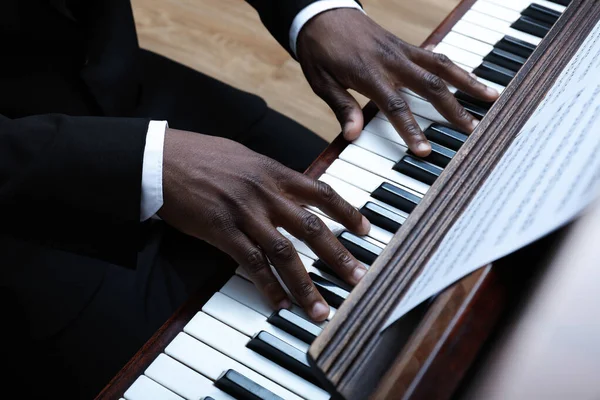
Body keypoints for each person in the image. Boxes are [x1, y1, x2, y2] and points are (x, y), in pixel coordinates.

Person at [0, 0, 499, 397]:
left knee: (399, 218)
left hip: (121, 90)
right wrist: (141, 163)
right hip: (20, 219)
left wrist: (316, 9)